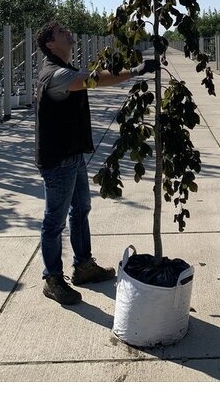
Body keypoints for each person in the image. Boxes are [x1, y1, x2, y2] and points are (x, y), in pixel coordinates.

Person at [34, 20, 158, 306]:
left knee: (81, 209)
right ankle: (52, 279)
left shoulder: (62, 69)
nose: (68, 32)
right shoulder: (57, 74)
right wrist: (135, 71)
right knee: (54, 221)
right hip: (58, 159)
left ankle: (84, 266)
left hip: (72, 154)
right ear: (50, 44)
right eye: (61, 32)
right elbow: (95, 80)